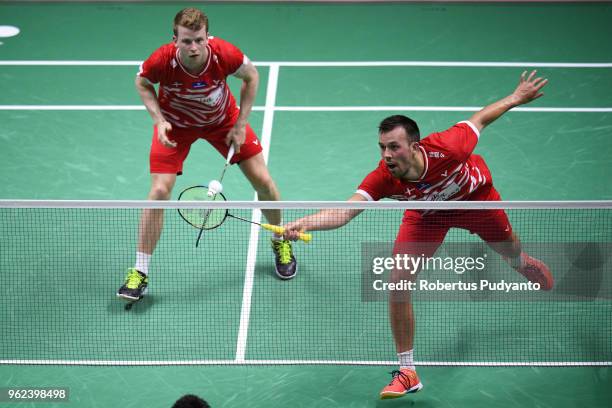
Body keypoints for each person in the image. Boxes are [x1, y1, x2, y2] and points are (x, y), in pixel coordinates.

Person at [283, 71, 553, 399]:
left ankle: (521, 263)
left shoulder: (449, 147)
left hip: (475, 202)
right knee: (398, 282)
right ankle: (407, 370)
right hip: (427, 217)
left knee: (510, 252)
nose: (386, 155)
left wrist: (516, 97)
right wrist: (305, 224)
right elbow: (347, 211)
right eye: (382, 147)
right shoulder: (384, 177)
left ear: (413, 146)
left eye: (393, 147)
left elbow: (480, 120)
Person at [117, 8, 297, 301]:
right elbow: (142, 82)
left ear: (207, 37)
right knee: (159, 192)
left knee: (263, 181)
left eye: (199, 40)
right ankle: (139, 271)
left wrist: (240, 125)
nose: (193, 47)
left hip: (223, 121)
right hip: (175, 126)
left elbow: (251, 77)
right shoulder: (161, 60)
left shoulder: (224, 54)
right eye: (186, 41)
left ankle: (280, 240)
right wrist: (158, 119)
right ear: (174, 39)